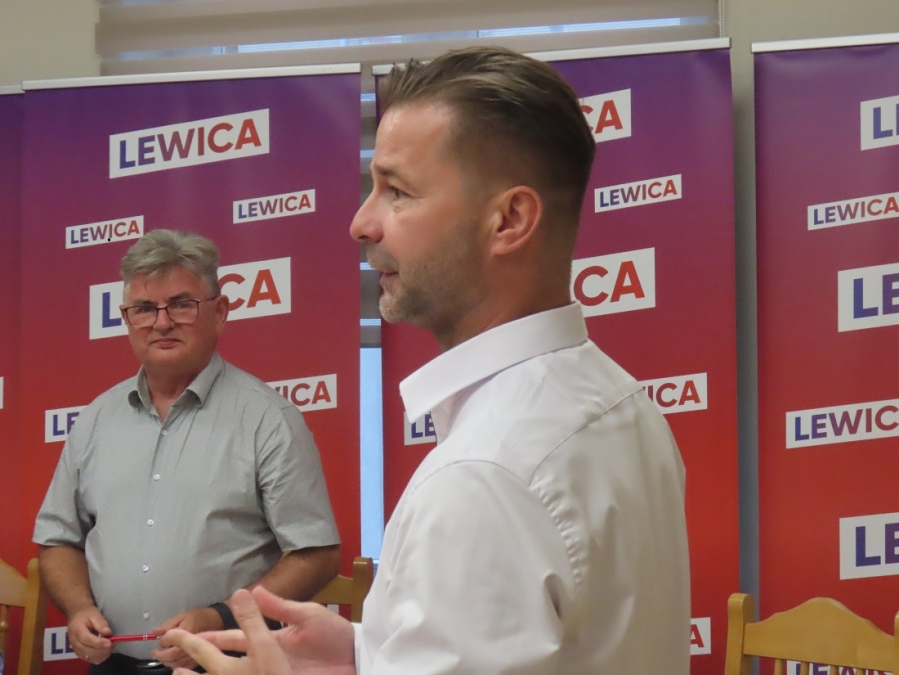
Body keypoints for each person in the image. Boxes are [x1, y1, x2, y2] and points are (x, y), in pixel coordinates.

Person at [166, 46, 691, 675]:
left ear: (509, 220)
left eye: (398, 191)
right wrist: (366, 652)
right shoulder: (621, 401)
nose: (362, 223)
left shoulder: (483, 474)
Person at [34, 230, 342, 675]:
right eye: (144, 309)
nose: (162, 323)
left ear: (219, 312)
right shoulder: (97, 419)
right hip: (111, 666)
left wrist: (221, 618)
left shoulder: (268, 419)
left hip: (227, 664)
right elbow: (58, 538)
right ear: (126, 319)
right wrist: (79, 607)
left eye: (181, 305)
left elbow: (316, 554)